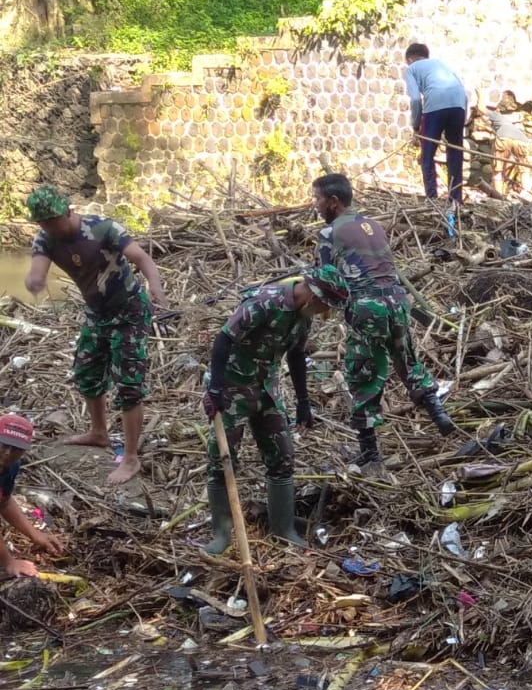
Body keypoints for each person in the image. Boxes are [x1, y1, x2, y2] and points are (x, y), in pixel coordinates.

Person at [22, 185, 167, 487]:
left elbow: (141, 258)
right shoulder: (46, 238)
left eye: (52, 220)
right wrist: (34, 280)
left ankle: (130, 457)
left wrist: (155, 285)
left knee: (128, 384)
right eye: (42, 223)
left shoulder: (103, 228)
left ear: (68, 212)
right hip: (96, 314)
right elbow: (38, 268)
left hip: (128, 311)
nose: (48, 227)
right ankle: (99, 432)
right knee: (87, 374)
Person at [311, 173, 455, 474]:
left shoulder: (329, 234)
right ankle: (437, 412)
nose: (316, 206)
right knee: (408, 361)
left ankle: (370, 452)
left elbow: (327, 279)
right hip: (398, 301)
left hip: (368, 306)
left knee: (364, 373)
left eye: (318, 200)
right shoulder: (373, 225)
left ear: (334, 202)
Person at [202, 265, 347, 553]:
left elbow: (296, 356)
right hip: (232, 388)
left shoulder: (303, 319)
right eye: (322, 306)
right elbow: (224, 339)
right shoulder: (264, 302)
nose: (322, 313)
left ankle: (283, 528)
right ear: (312, 296)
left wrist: (303, 402)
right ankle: (222, 535)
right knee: (222, 459)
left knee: (282, 457)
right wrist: (215, 388)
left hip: (266, 389)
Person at [402, 43, 470, 216]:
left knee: (427, 154)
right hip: (459, 105)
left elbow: (416, 99)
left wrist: (416, 125)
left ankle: (431, 200)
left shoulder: (411, 69)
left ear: (410, 59)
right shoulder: (441, 64)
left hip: (435, 107)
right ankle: (456, 200)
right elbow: (463, 91)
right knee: (455, 153)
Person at [0, 414, 67, 578]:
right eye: (4, 445)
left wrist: (35, 534)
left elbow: (4, 502)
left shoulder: (11, 466)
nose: (8, 453)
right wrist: (9, 562)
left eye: (16, 448)